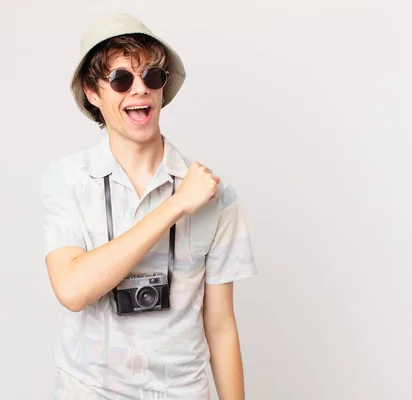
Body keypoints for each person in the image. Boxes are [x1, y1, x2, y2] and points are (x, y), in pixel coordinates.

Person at [40, 13, 257, 400]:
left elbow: (221, 326)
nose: (139, 89)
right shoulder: (68, 180)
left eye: (152, 76)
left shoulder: (215, 196)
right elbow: (72, 289)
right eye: (121, 79)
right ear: (93, 92)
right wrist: (175, 207)